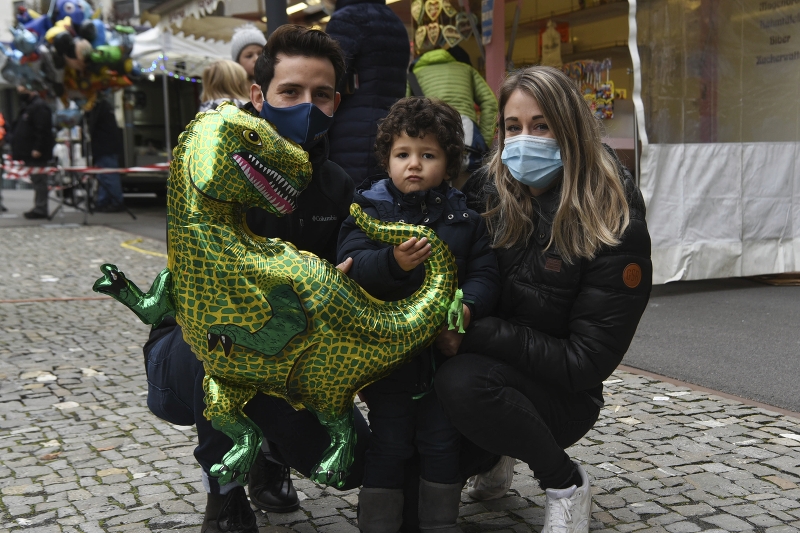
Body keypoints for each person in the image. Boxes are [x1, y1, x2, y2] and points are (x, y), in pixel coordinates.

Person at [142, 25, 358, 533]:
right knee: (218, 344)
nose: (306, 105)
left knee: (356, 464)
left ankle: (270, 455)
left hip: (283, 349)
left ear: (336, 102)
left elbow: (348, 272)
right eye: (291, 92)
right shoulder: (215, 168)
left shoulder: (337, 186)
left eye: (320, 94)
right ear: (258, 95)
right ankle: (224, 495)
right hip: (191, 346)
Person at [434, 66, 652, 533]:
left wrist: (478, 331)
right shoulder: (485, 190)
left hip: (562, 392)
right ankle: (492, 451)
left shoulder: (612, 216)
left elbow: (585, 362)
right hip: (489, 360)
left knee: (463, 383)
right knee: (427, 466)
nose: (524, 139)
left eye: (541, 125)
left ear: (569, 128)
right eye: (513, 127)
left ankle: (565, 481)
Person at [337, 97, 499, 533]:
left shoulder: (465, 218)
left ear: (448, 165)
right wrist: (393, 263)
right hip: (388, 361)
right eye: (402, 154)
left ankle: (440, 521)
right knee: (388, 442)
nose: (414, 165)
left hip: (444, 359)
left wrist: (467, 306)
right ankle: (378, 521)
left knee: (441, 440)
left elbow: (485, 273)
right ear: (386, 159)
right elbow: (352, 266)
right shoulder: (368, 210)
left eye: (428, 155)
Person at [324, 0, 410, 188]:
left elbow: (329, 79)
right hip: (390, 126)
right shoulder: (395, 21)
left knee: (350, 198)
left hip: (349, 132)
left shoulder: (347, 19)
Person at [406, 46, 497, 186]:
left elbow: (405, 110)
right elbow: (490, 102)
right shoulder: (466, 69)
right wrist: (482, 140)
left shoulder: (414, 75)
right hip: (466, 134)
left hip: (430, 135)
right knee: (466, 190)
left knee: (431, 186)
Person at [11, 85, 54, 219]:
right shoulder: (29, 106)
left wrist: (38, 148)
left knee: (40, 180)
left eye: (22, 88)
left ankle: (41, 208)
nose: (19, 90)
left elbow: (42, 129)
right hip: (28, 151)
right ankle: (39, 207)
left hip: (36, 152)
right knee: (36, 180)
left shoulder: (38, 107)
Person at [87, 94, 126, 212]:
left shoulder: (99, 108)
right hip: (105, 147)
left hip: (104, 147)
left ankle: (115, 201)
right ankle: (104, 201)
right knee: (104, 176)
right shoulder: (104, 106)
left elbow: (92, 124)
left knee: (108, 175)